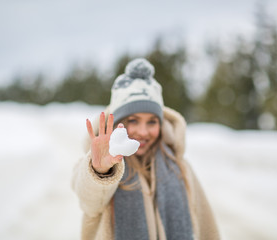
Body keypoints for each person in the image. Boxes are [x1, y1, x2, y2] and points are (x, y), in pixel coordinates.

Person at [72, 58, 220, 240]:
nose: (142, 132)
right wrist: (101, 171)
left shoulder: (179, 167)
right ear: (117, 123)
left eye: (152, 122)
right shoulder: (96, 166)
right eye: (132, 120)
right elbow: (89, 201)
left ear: (162, 124)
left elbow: (206, 225)